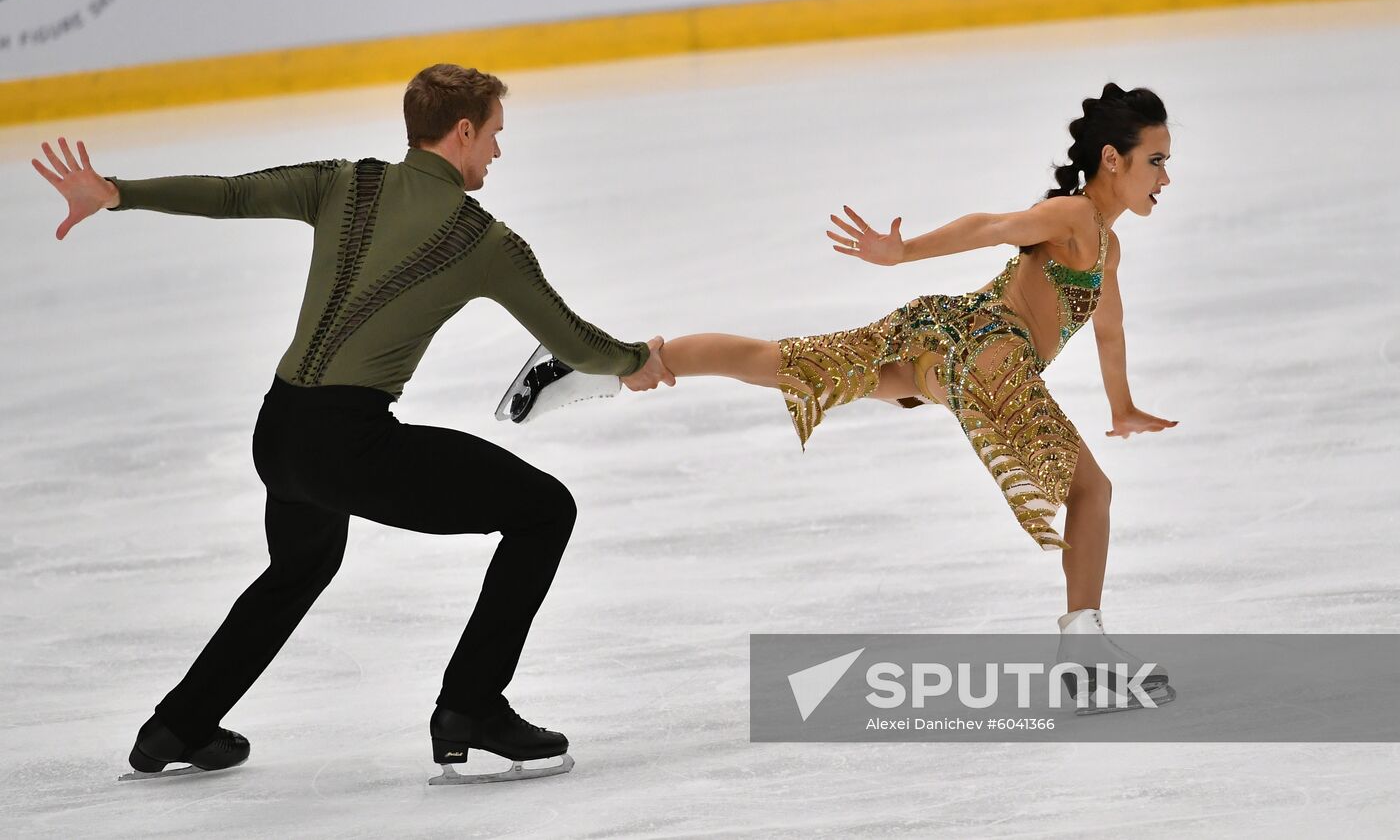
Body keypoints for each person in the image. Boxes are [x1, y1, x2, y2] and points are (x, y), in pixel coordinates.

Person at [31, 63, 673, 783]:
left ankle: (178, 726)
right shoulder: (482, 241)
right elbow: (574, 342)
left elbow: (234, 196)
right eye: (494, 134)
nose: (496, 151)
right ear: (463, 131)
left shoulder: (346, 181)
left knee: (302, 564)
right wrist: (633, 360)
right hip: (349, 444)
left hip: (278, 432)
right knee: (544, 510)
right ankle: (472, 706)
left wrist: (119, 193)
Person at [527, 83, 1178, 706]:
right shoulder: (1074, 216)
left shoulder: (1106, 248)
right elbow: (994, 226)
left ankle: (601, 363)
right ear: (1112, 160)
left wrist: (1121, 408)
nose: (1164, 179)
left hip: (941, 349)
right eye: (1155, 161)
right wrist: (905, 251)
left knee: (784, 362)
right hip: (986, 353)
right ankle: (1086, 662)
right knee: (1092, 491)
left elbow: (1110, 330)